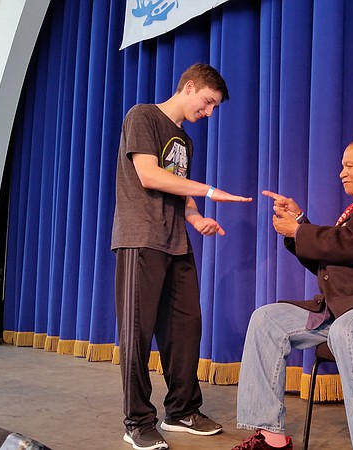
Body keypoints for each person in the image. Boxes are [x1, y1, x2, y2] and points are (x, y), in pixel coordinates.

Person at [233, 138, 353, 450]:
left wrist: (299, 231)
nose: (341, 173)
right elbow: (335, 253)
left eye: (349, 166)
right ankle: (271, 438)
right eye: (342, 167)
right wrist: (299, 223)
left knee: (348, 331)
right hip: (346, 307)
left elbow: (348, 244)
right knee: (266, 320)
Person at [111, 63, 252, 450]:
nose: (207, 113)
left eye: (213, 108)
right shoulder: (142, 115)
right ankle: (137, 420)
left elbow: (176, 185)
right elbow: (149, 175)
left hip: (176, 242)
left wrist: (195, 215)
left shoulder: (184, 140)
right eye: (207, 103)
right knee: (136, 332)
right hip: (141, 238)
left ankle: (182, 410)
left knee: (186, 328)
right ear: (189, 87)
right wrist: (209, 191)